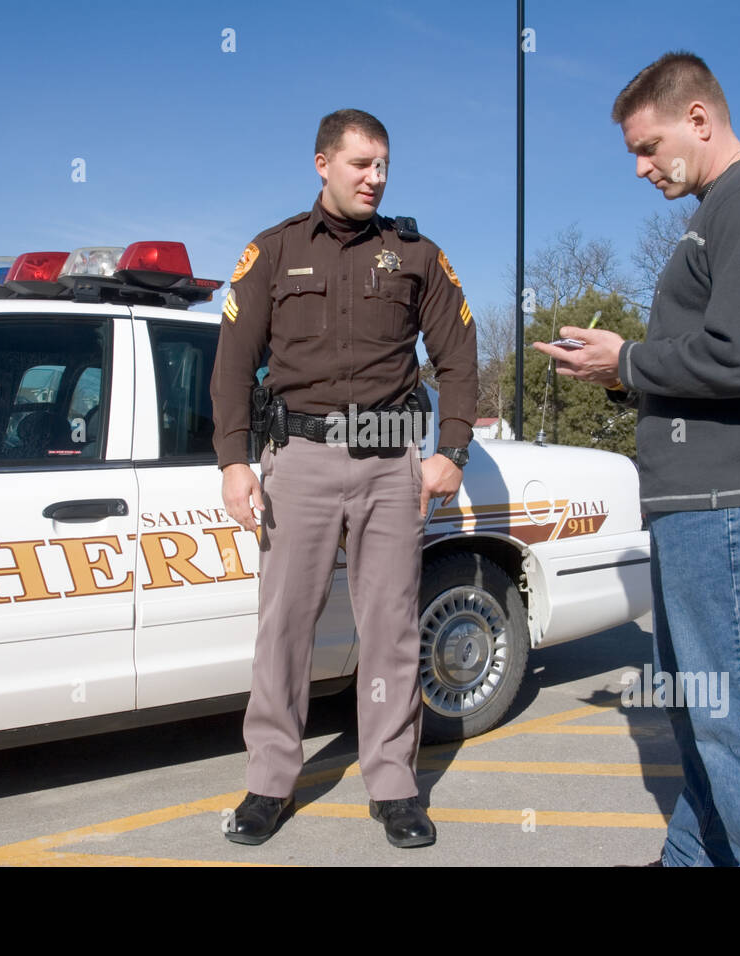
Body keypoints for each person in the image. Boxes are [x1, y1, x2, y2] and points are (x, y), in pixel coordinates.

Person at [535, 52, 740, 866]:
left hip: (730, 499)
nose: (639, 167)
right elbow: (712, 354)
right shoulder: (720, 210)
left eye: (648, 144)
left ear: (698, 119)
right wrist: (627, 370)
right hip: (697, 503)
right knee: (698, 711)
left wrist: (625, 363)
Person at [210, 108, 477, 848]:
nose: (376, 178)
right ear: (322, 163)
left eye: (384, 164)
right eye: (361, 164)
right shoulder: (273, 251)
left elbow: (458, 349)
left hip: (392, 461)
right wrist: (235, 460)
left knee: (391, 626)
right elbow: (233, 362)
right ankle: (269, 780)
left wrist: (450, 447)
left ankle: (393, 784)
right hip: (299, 459)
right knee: (284, 625)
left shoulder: (415, 253)